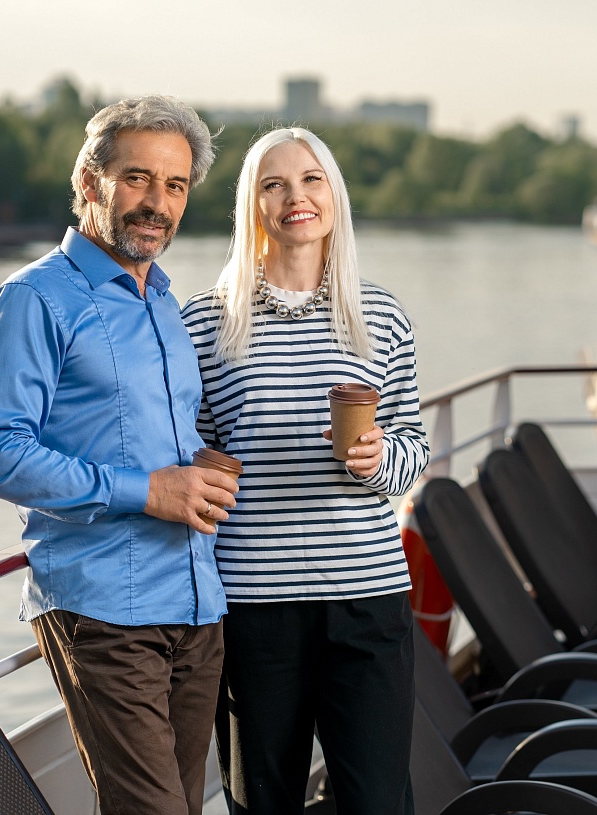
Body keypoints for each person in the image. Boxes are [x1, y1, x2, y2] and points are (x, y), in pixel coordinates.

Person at [0, 95, 237, 815]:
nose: (158, 203)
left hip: (198, 606)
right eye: (137, 178)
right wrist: (147, 490)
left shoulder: (164, 303)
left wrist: (198, 470)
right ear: (91, 182)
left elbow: (149, 437)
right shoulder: (33, 300)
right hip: (105, 612)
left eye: (175, 185)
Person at [181, 127, 430, 814]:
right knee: (262, 803)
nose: (297, 197)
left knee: (378, 802)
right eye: (275, 184)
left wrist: (379, 460)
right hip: (255, 603)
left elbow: (413, 445)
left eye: (311, 179)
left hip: (366, 595)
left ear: (334, 195)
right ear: (252, 204)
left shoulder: (380, 315)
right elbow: (191, 456)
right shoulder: (204, 323)